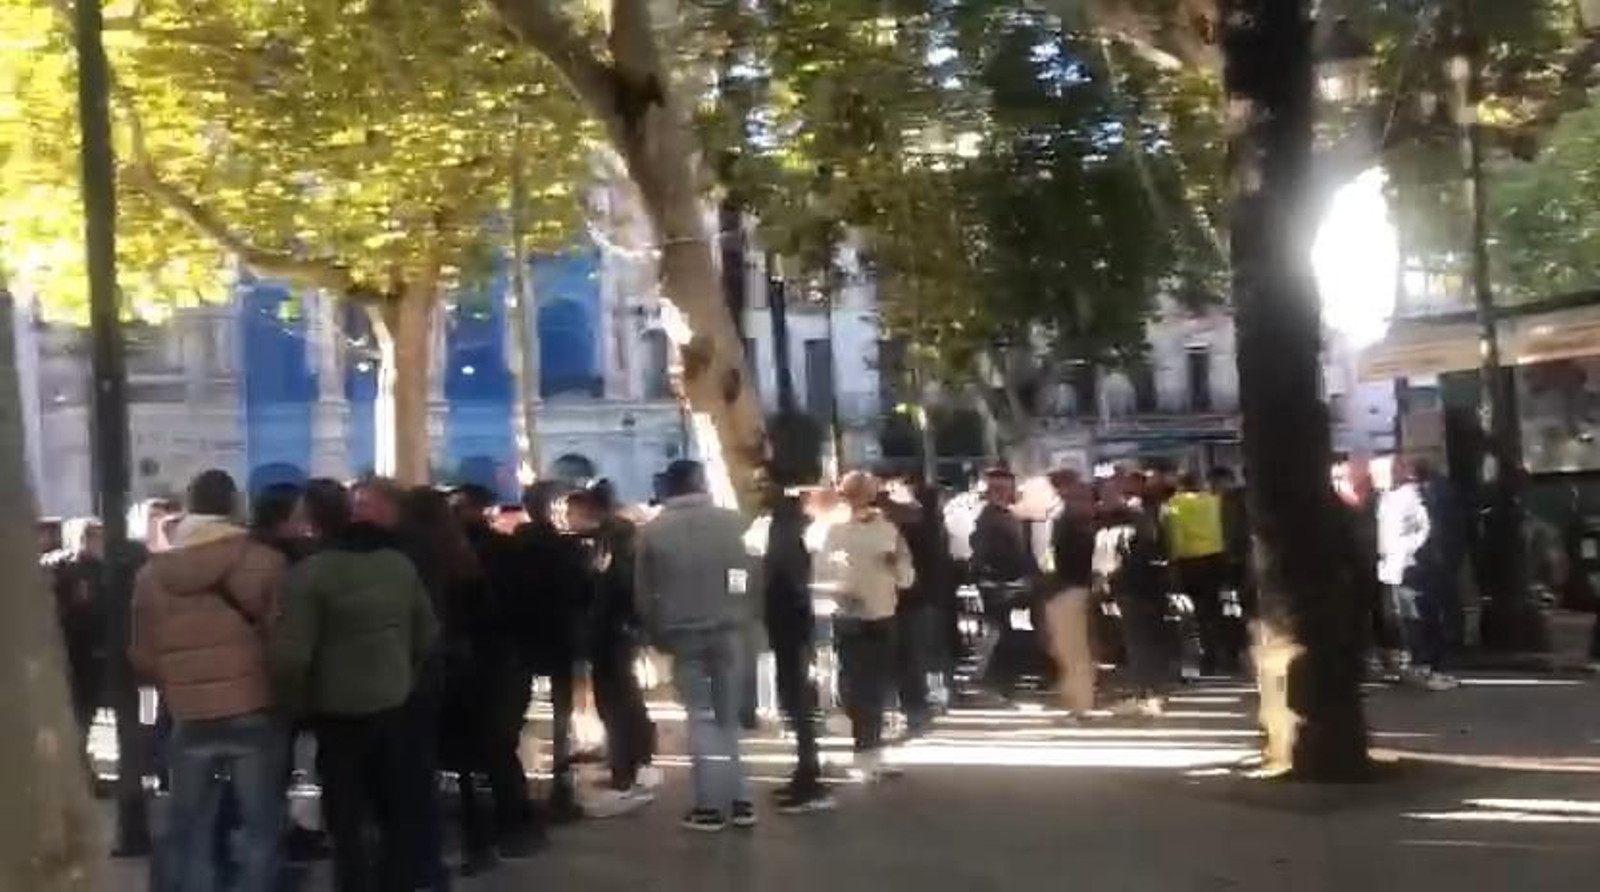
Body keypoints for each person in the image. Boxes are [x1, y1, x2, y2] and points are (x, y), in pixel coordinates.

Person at [270, 479, 439, 892]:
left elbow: (293, 656)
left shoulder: (310, 575)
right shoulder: (399, 566)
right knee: (393, 803)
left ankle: (353, 882)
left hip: (336, 711)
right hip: (393, 702)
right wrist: (404, 674)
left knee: (345, 812)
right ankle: (396, 880)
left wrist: (294, 703)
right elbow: (427, 632)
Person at [130, 469, 288, 892]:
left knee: (191, 826)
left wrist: (181, 681)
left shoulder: (151, 575)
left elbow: (143, 654)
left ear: (189, 506)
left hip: (188, 714)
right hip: (253, 706)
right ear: (234, 505)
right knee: (260, 826)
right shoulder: (265, 562)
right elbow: (282, 641)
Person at [634, 460, 755, 833]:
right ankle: (741, 800)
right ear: (701, 482)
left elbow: (644, 594)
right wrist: (736, 605)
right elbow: (744, 574)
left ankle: (709, 806)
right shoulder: (733, 523)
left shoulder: (653, 532)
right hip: (729, 629)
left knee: (700, 716)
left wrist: (655, 632)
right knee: (728, 718)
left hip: (682, 634)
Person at [445, 485, 545, 869]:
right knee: (497, 745)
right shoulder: (506, 551)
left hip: (478, 659)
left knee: (485, 745)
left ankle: (493, 826)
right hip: (504, 657)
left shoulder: (448, 557)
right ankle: (513, 823)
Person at [564, 485, 660, 818]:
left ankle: (625, 769)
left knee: (615, 700)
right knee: (624, 697)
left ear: (589, 512)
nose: (568, 520)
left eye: (571, 513)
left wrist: (591, 584)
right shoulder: (624, 537)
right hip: (621, 631)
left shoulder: (610, 542)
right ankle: (634, 759)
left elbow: (608, 589)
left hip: (611, 633)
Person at [819, 472, 914, 780]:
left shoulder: (883, 529)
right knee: (864, 688)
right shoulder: (836, 529)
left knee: (867, 687)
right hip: (863, 616)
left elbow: (906, 576)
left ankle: (869, 753)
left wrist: (894, 566)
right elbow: (906, 577)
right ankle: (867, 753)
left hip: (872, 615)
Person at [507, 481, 590, 822]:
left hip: (521, 635)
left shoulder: (511, 548)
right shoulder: (569, 548)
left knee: (514, 710)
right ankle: (561, 783)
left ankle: (513, 780)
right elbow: (583, 592)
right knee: (562, 713)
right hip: (561, 635)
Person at [762, 488, 833, 814]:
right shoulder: (793, 538)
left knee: (797, 701)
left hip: (788, 628)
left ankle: (809, 779)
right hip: (792, 627)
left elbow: (790, 585)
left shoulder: (785, 541)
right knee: (795, 701)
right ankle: (806, 773)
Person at [1377, 459, 1458, 692]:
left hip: (1410, 566)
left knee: (1420, 617)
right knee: (1410, 619)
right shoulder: (1389, 498)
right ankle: (1422, 667)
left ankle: (1427, 668)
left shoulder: (1411, 496)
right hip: (1398, 568)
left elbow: (1426, 529)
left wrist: (1409, 551)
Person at [1094, 482, 1172, 717]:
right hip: (1152, 593)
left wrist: (1104, 591)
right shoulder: (1152, 529)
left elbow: (1104, 569)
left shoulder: (1110, 534)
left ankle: (1144, 696)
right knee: (1151, 644)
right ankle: (1153, 694)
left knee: (1137, 645)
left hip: (1129, 594)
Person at [967, 466, 1038, 700]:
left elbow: (1027, 550)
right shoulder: (985, 518)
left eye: (1004, 488)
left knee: (1007, 632)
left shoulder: (1018, 516)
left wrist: (1029, 575)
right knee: (1000, 631)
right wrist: (989, 579)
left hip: (1016, 582)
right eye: (995, 488)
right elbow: (979, 553)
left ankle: (1004, 680)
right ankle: (997, 681)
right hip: (996, 583)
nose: (1000, 492)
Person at [1162, 471, 1234, 675]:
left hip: (1190, 561)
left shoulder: (1174, 504)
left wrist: (1173, 559)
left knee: (1197, 611)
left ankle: (1206, 657)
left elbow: (1174, 534)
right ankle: (1224, 653)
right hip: (1216, 558)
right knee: (1216, 608)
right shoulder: (1214, 501)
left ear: (1180, 485)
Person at [1045, 470, 1097, 720]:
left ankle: (1079, 705)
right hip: (1070, 589)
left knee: (1073, 650)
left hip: (1069, 590)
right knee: (1069, 650)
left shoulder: (1069, 522)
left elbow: (1057, 559)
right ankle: (1077, 701)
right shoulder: (1078, 522)